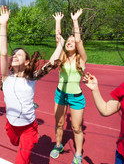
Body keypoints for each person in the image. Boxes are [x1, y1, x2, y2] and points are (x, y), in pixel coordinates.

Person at [0, 6, 64, 164]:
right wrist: (3, 25)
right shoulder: (6, 77)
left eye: (19, 54)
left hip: (29, 127)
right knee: (15, 143)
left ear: (27, 61)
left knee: (22, 159)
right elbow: (3, 52)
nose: (14, 55)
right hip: (11, 125)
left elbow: (52, 63)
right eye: (14, 54)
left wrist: (61, 44)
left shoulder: (32, 77)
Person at [50, 9, 87, 164]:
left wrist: (75, 20)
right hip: (60, 94)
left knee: (76, 128)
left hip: (76, 97)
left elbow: (78, 40)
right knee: (59, 123)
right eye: (68, 41)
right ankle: (58, 145)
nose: (70, 42)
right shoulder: (62, 57)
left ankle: (78, 154)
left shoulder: (82, 59)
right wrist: (57, 21)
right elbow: (59, 40)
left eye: (73, 41)